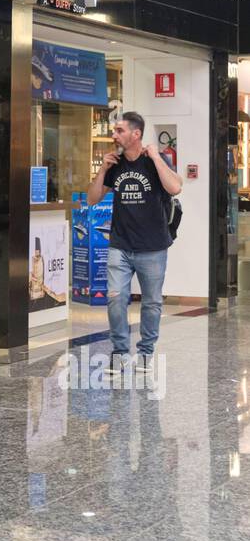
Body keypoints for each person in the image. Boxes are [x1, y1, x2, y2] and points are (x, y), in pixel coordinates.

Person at [87, 110, 182, 378]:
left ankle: (146, 353)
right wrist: (103, 169)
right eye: (115, 130)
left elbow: (175, 187)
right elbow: (92, 199)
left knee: (151, 302)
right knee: (115, 299)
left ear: (136, 134)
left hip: (152, 246)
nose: (114, 134)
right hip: (120, 244)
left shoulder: (154, 160)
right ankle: (119, 353)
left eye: (119, 130)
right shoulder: (114, 164)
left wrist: (155, 157)